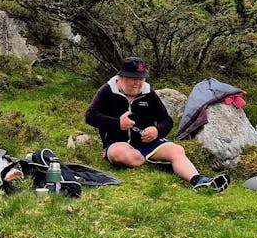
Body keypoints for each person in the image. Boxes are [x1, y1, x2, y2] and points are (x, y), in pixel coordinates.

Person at [85, 57, 229, 192]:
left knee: (176, 150)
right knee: (121, 155)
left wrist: (156, 131)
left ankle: (199, 181)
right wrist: (117, 123)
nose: (138, 83)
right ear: (121, 78)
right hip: (117, 143)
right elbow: (90, 116)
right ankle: (156, 163)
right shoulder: (107, 91)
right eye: (133, 78)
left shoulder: (149, 94)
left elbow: (166, 120)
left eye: (141, 79)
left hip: (149, 143)